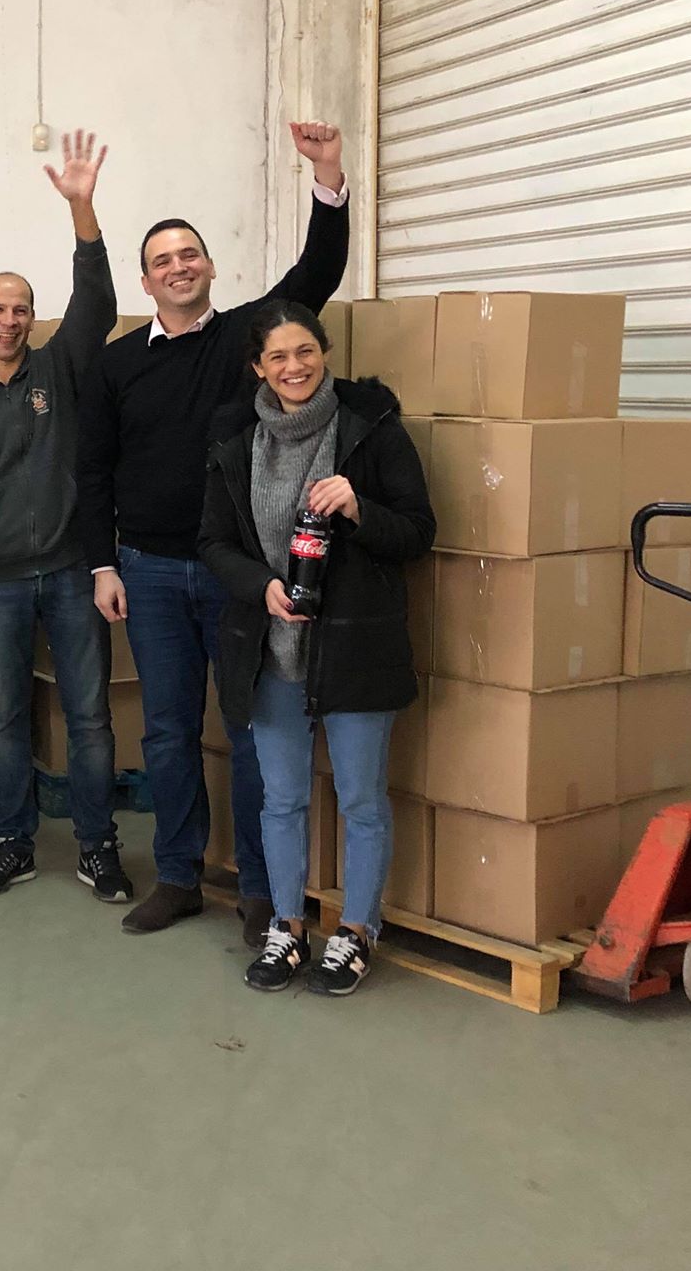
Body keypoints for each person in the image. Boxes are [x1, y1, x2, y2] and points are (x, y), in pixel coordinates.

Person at [81, 122, 350, 940]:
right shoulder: (117, 364)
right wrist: (102, 565)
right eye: (163, 260)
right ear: (146, 280)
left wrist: (327, 175)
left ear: (209, 267)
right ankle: (178, 875)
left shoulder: (243, 338)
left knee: (250, 732)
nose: (179, 267)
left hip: (238, 572)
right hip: (149, 571)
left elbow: (316, 274)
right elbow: (93, 469)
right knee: (167, 732)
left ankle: (264, 892)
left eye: (189, 254)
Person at [199, 302, 434, 993]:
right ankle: (288, 926)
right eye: (277, 356)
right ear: (258, 368)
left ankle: (356, 932)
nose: (293, 367)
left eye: (304, 351)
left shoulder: (372, 430)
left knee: (361, 799)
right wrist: (261, 587)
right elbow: (213, 541)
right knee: (282, 800)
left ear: (324, 353)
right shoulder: (236, 440)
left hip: (355, 647)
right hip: (271, 649)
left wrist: (360, 509)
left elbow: (418, 532)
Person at [0, 129, 130, 903]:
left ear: (34, 319)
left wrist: (83, 209)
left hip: (72, 574)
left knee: (90, 719)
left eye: (22, 309)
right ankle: (12, 843)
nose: (10, 320)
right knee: (5, 720)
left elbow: (98, 302)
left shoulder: (61, 369)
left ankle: (98, 847)